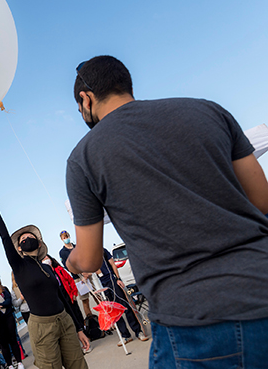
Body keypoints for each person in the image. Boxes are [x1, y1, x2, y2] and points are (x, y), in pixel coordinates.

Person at [67, 55, 268, 368]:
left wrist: (72, 260)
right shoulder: (207, 109)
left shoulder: (83, 157)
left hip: (195, 321)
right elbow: (261, 200)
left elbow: (91, 258)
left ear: (86, 99)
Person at [0, 189, 89, 369]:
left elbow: (62, 298)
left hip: (64, 321)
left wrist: (78, 328)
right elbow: (4, 238)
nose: (25, 238)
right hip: (42, 326)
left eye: (29, 236)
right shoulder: (19, 266)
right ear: (19, 248)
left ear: (38, 243)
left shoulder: (48, 267)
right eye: (22, 239)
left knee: (78, 364)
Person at [59, 230, 93, 317]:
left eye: (67, 236)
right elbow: (68, 266)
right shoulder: (63, 252)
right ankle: (92, 322)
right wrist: (81, 272)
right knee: (85, 301)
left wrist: (87, 271)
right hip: (78, 278)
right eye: (64, 237)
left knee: (98, 295)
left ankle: (107, 320)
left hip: (88, 274)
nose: (66, 238)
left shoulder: (77, 247)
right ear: (62, 239)